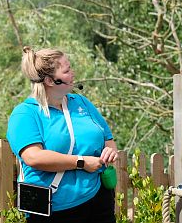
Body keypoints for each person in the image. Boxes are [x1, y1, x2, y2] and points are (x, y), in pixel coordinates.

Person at [7, 46, 118, 223]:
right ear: (51, 81)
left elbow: (107, 138)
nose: (73, 73)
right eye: (67, 70)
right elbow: (34, 157)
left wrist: (110, 152)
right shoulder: (25, 114)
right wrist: (81, 163)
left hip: (97, 198)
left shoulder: (82, 103)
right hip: (52, 207)